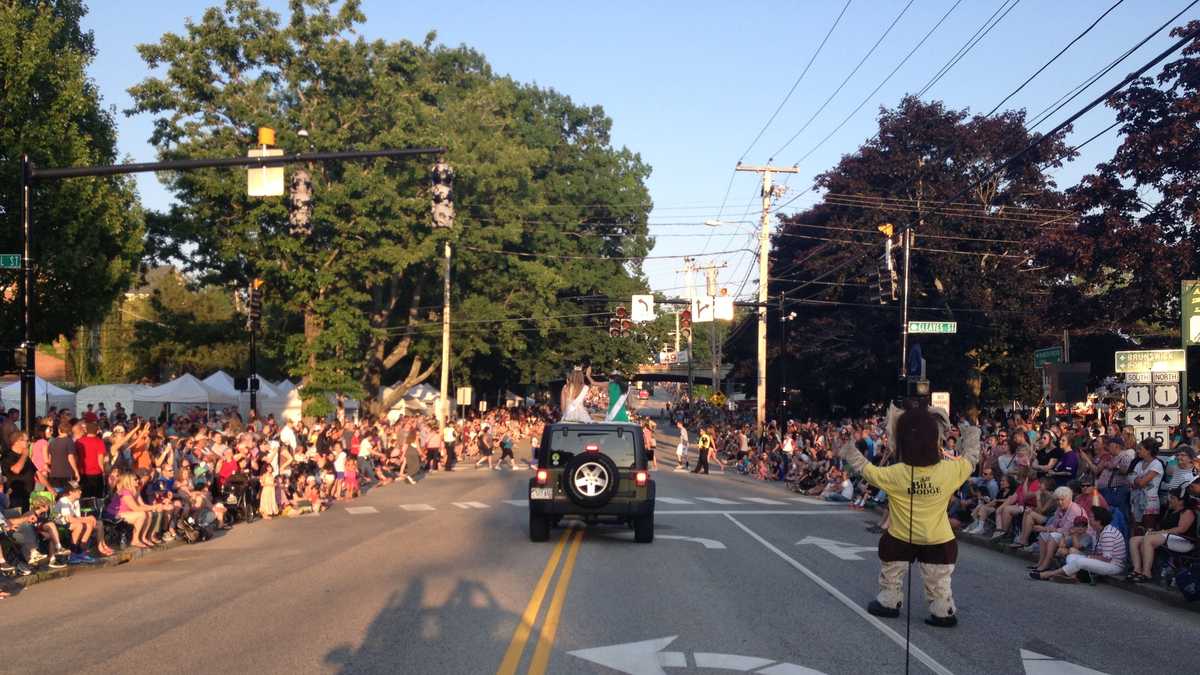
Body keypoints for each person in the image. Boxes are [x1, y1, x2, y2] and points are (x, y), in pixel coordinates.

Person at [839, 401, 980, 628]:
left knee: (892, 567)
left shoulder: (896, 474)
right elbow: (971, 458)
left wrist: (848, 450)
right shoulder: (949, 471)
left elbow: (867, 469)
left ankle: (889, 600)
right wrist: (971, 433)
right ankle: (942, 609)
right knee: (938, 579)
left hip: (902, 536)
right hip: (938, 538)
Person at [1032, 507, 1126, 583]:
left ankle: (1049, 574)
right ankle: (1072, 576)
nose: (1089, 519)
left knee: (1080, 561)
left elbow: (1107, 558)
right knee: (1071, 556)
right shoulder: (1099, 531)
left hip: (1114, 566)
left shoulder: (1108, 533)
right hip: (1105, 561)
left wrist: (1088, 557)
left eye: (1092, 517)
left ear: (1099, 521)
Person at [1126, 486, 1197, 582]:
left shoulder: (1187, 512)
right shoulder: (1170, 511)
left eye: (1172, 498)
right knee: (1134, 540)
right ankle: (1137, 570)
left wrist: (1159, 532)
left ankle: (1147, 573)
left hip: (1183, 541)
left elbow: (1181, 529)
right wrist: (1153, 531)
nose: (1169, 500)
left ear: (1181, 501)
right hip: (1168, 537)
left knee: (1148, 539)